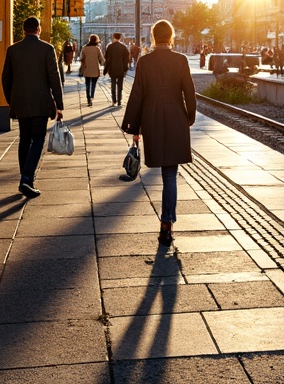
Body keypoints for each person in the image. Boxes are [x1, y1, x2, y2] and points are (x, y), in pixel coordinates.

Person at [121, 19, 196, 247]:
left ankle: (166, 221)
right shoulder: (180, 60)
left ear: (154, 36)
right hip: (175, 118)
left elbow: (138, 95)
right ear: (171, 36)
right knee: (170, 175)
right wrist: (189, 118)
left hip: (152, 119)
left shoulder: (145, 62)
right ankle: (167, 224)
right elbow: (189, 92)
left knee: (165, 173)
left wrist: (134, 128)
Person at [1, 16, 65, 199]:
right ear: (38, 29)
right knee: (37, 140)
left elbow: (5, 77)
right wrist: (58, 105)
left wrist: (11, 100)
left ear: (23, 30)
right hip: (40, 103)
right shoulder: (47, 48)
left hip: (20, 103)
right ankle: (26, 179)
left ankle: (25, 178)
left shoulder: (13, 50)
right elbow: (54, 78)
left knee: (24, 139)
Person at [104, 32, 130, 106]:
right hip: (121, 68)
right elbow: (126, 59)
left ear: (113, 37)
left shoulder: (110, 47)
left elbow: (106, 58)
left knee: (113, 84)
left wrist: (107, 68)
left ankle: (113, 100)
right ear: (120, 37)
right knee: (120, 85)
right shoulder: (123, 47)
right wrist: (125, 69)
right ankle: (119, 101)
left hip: (112, 68)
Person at [79, 33, 104, 106]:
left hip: (86, 68)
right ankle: (92, 96)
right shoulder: (97, 49)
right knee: (93, 83)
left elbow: (81, 58)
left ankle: (88, 98)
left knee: (87, 84)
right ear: (96, 40)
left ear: (89, 39)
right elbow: (101, 59)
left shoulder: (84, 48)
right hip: (95, 69)